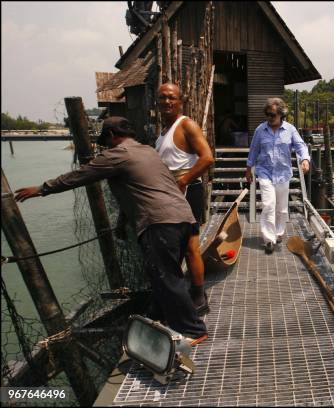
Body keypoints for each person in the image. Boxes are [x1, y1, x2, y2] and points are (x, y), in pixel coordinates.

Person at [14, 117, 208, 345]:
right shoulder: (147, 151)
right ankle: (159, 316)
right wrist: (121, 223)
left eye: (105, 141)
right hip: (182, 217)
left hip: (159, 222)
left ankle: (194, 331)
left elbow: (79, 176)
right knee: (161, 275)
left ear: (112, 136)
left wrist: (41, 189)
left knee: (168, 278)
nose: (105, 145)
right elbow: (141, 189)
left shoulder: (117, 154)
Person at [155, 83, 214, 314]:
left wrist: (183, 181)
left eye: (171, 98)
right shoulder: (162, 134)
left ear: (181, 101)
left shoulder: (186, 125)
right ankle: (179, 292)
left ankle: (199, 296)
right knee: (173, 247)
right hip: (168, 193)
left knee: (190, 247)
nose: (166, 102)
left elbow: (207, 158)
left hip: (187, 191)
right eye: (162, 98)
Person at [246, 98, 310, 254]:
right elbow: (254, 150)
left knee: (281, 208)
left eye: (272, 114)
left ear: (281, 114)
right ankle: (269, 239)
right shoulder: (260, 130)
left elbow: (300, 146)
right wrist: (248, 169)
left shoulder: (290, 129)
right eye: (267, 114)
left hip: (283, 173)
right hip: (264, 172)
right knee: (268, 204)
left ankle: (279, 232)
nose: (269, 117)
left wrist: (305, 159)